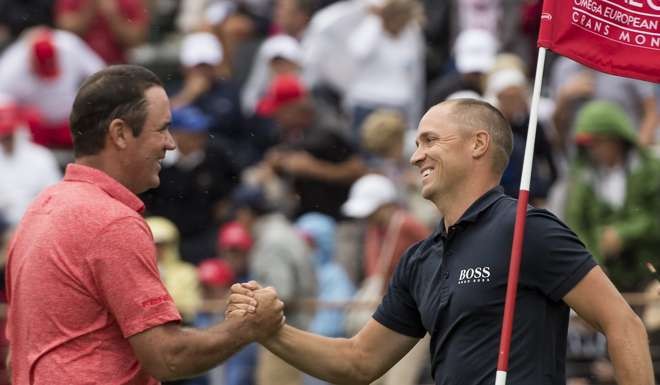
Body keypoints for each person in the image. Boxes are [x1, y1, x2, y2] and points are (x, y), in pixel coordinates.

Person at [228, 98, 654, 385]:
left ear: (478, 145)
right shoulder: (419, 259)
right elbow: (357, 361)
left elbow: (623, 324)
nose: (416, 156)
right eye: (416, 143)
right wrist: (271, 332)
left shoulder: (529, 230)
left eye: (430, 140)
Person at [5, 65, 284, 384]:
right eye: (162, 129)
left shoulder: (38, 211)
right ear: (120, 133)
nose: (170, 143)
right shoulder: (111, 221)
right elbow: (168, 356)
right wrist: (247, 327)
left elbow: (17, 357)